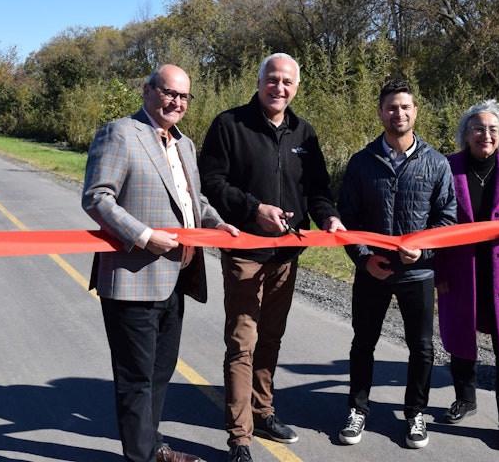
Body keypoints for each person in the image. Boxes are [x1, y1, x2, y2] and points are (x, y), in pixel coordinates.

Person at [82, 64, 239, 462]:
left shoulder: (184, 144)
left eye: (184, 96)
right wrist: (144, 236)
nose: (177, 102)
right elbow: (98, 198)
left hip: (176, 279)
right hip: (132, 278)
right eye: (170, 93)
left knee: (159, 374)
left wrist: (218, 224)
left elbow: (193, 200)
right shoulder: (120, 132)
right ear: (148, 90)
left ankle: (152, 448)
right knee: (135, 379)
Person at [198, 52, 345, 462]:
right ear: (259, 80)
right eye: (272, 79)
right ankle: (239, 437)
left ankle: (263, 412)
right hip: (245, 250)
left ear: (296, 87)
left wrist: (330, 217)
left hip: (288, 253)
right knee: (242, 342)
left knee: (272, 338)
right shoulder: (229, 124)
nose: (279, 88)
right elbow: (211, 182)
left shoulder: (305, 133)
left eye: (287, 82)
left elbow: (318, 190)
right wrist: (252, 210)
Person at [336, 79, 456, 449]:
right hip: (373, 271)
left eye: (405, 107)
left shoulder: (437, 163)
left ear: (415, 111)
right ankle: (357, 410)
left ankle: (415, 414)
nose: (398, 113)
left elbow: (447, 219)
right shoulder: (361, 162)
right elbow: (347, 220)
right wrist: (363, 259)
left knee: (421, 347)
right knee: (363, 343)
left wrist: (424, 252)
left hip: (417, 273)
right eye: (391, 107)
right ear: (380, 112)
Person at [435, 99, 499, 450]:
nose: (486, 134)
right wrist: (438, 271)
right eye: (479, 128)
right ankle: (465, 399)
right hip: (459, 269)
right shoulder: (447, 168)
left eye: (493, 129)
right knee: (460, 338)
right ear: (466, 133)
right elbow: (433, 222)